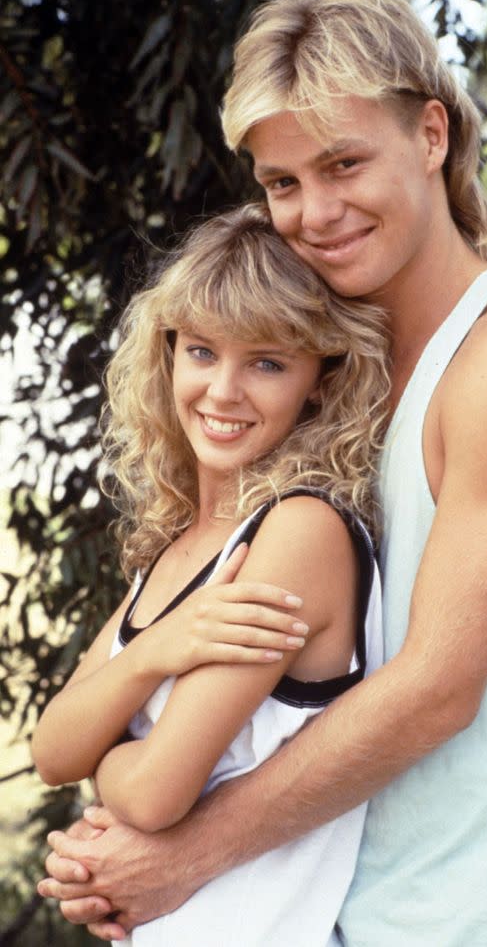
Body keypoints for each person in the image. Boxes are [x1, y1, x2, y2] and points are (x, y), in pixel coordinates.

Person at [38, 0, 487, 946]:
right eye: (281, 183)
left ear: (432, 136)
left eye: (344, 162)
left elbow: (438, 685)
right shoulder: (335, 390)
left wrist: (181, 857)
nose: (314, 212)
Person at [31, 201, 389, 946]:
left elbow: (157, 794)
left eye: (266, 361)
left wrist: (108, 765)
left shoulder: (300, 531)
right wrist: (163, 645)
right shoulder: (183, 548)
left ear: (319, 378)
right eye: (201, 351)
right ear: (166, 354)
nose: (223, 392)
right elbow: (53, 749)